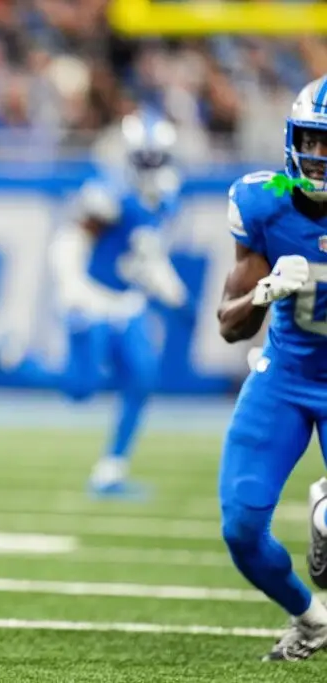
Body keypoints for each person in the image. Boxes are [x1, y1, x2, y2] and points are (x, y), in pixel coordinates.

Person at [218, 76, 327, 661]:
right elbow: (229, 323)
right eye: (314, 141)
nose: (320, 158)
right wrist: (262, 293)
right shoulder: (265, 201)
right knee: (240, 527)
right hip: (285, 375)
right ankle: (311, 620)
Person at [48, 111, 189, 498]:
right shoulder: (108, 192)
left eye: (154, 157)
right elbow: (70, 242)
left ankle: (111, 470)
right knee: (82, 390)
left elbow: (148, 252)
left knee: (142, 378)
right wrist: (71, 288)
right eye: (143, 157)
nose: (149, 165)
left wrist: (169, 289)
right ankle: (12, 361)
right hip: (94, 297)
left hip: (128, 302)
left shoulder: (168, 195)